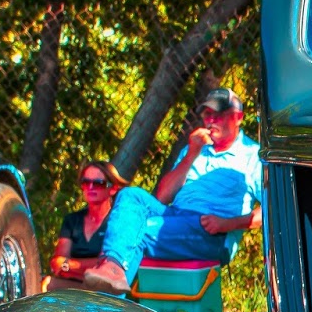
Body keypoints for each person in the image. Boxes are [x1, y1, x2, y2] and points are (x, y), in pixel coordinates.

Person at [84, 87, 262, 294]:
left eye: (219, 115)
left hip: (211, 231)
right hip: (176, 217)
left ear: (237, 117)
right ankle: (113, 269)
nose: (211, 121)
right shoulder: (193, 149)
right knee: (130, 195)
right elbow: (163, 196)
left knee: (138, 232)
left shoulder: (252, 155)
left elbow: (271, 211)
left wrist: (227, 224)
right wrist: (191, 154)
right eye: (207, 115)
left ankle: (109, 304)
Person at [50, 161, 126, 284]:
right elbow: (57, 263)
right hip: (71, 285)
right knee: (46, 283)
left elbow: (109, 266)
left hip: (104, 291)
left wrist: (68, 265)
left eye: (99, 183)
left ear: (113, 189)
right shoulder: (72, 220)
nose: (90, 187)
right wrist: (93, 268)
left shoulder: (118, 222)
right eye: (86, 182)